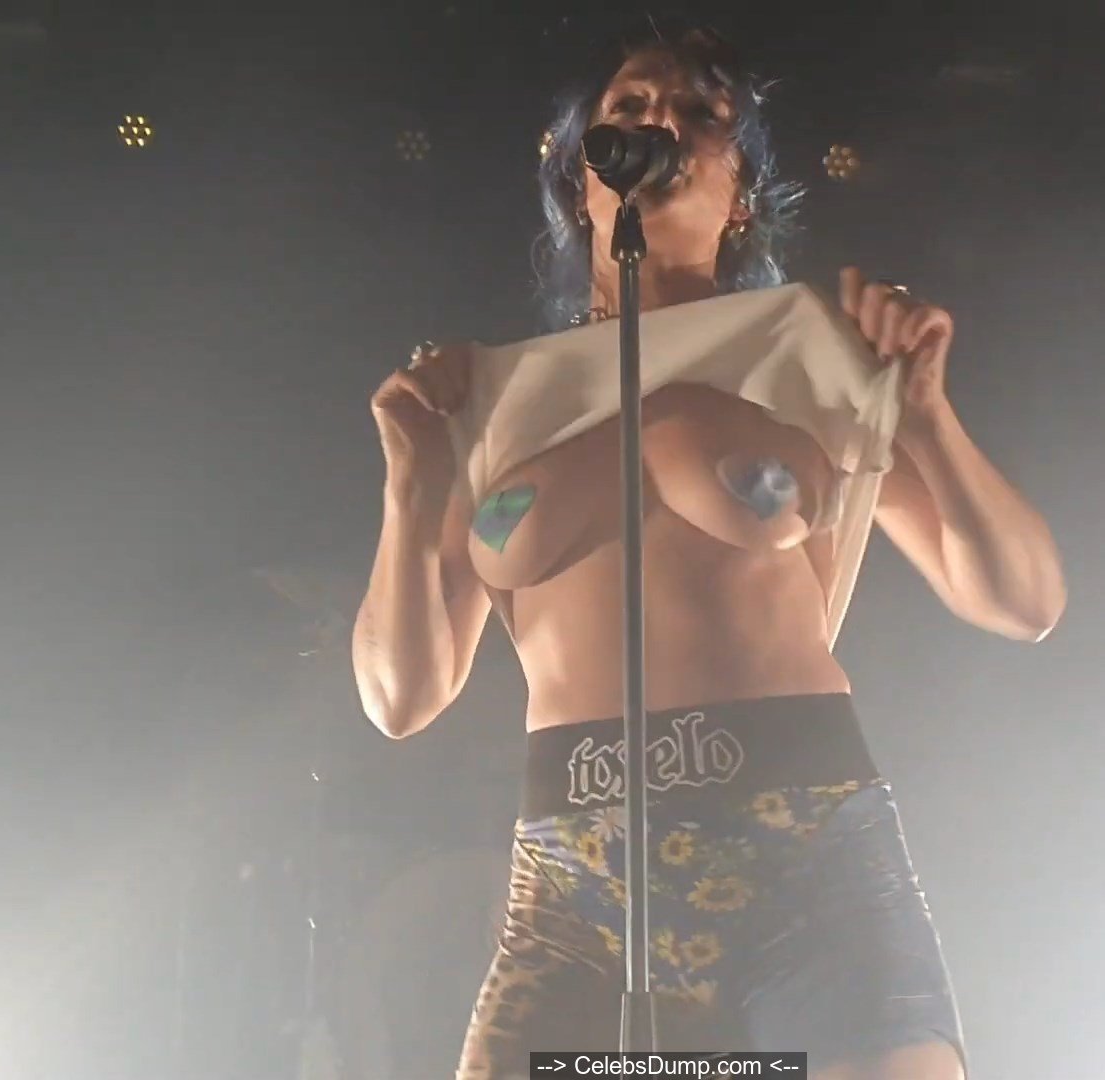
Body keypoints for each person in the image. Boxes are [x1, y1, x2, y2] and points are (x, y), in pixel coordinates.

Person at [352, 24, 1065, 1080]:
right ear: (579, 175)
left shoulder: (809, 355)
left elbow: (1022, 600)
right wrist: (410, 489)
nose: (662, 124)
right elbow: (401, 698)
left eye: (700, 115)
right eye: (631, 109)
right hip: (579, 889)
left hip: (807, 863)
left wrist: (927, 415)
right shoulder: (493, 401)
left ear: (742, 196)